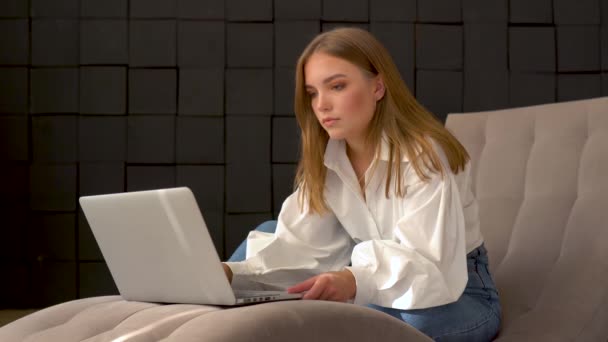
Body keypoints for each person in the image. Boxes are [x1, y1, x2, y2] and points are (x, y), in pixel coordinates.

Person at [222, 27, 501, 341]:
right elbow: (301, 245)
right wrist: (231, 275)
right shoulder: (328, 158)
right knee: (271, 232)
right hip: (366, 270)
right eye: (313, 92)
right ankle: (227, 304)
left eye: (337, 86)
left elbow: (431, 265)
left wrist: (353, 280)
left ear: (378, 87)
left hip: (455, 287)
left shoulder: (424, 156)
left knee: (389, 323)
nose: (322, 105)